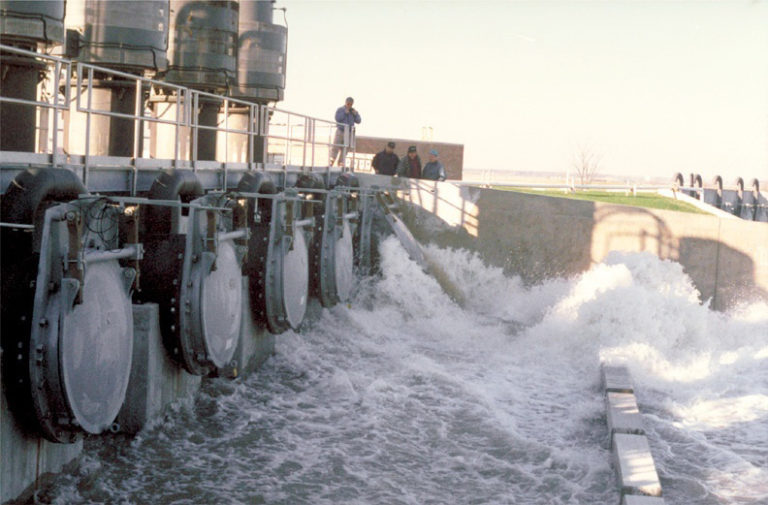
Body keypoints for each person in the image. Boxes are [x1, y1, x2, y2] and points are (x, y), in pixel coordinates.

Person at [330, 97, 361, 166]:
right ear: (345, 102)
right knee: (336, 145)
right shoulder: (340, 109)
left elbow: (359, 121)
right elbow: (337, 118)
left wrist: (355, 114)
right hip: (341, 130)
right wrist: (345, 113)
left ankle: (341, 162)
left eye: (351, 104)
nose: (349, 105)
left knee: (346, 147)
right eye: (348, 104)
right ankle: (332, 160)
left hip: (349, 132)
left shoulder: (353, 111)